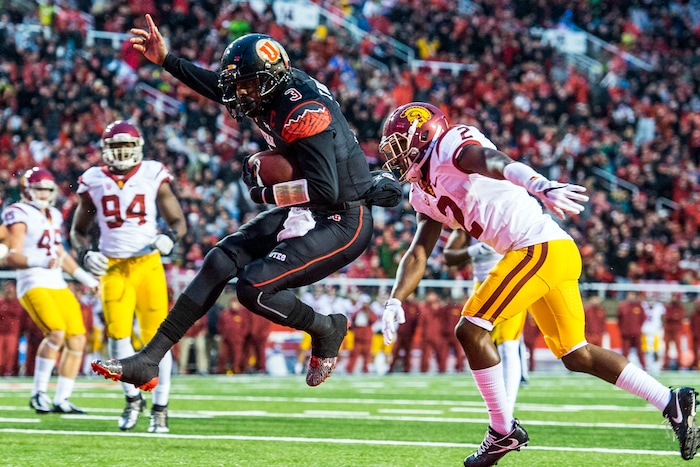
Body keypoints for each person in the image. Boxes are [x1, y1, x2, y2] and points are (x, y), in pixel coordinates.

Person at [378, 102, 699, 464]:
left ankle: (501, 432)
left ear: (424, 136)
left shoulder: (451, 147)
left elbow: (493, 160)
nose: (397, 158)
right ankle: (672, 401)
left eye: (399, 147)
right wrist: (395, 299)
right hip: (549, 251)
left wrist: (539, 184)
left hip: (537, 247)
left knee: (471, 330)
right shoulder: (422, 192)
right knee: (578, 354)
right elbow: (420, 249)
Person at [92, 16, 383, 390]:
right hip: (313, 208)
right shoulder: (269, 88)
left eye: (248, 86)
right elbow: (221, 88)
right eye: (239, 86)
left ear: (271, 80)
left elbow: (325, 190)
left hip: (343, 219)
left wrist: (265, 195)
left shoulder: (302, 110)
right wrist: (168, 61)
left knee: (254, 287)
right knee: (219, 260)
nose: (240, 95)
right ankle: (149, 360)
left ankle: (327, 328)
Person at [70, 120, 187, 433]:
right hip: (112, 267)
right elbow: (78, 231)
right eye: (116, 146)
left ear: (138, 148)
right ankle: (132, 398)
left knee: (158, 340)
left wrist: (170, 239)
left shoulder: (152, 173)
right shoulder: (93, 179)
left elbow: (177, 220)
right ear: (106, 150)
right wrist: (85, 253)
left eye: (126, 146)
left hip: (147, 265)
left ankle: (160, 408)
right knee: (117, 338)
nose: (121, 152)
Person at [3, 167, 99, 414]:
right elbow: (11, 256)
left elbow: (59, 253)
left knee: (78, 338)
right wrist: (38, 261)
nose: (44, 194)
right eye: (39, 189)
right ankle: (38, 394)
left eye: (47, 189)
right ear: (27, 189)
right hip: (32, 281)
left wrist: (83, 277)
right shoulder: (18, 212)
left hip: (56, 282)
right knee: (56, 333)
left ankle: (62, 399)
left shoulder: (53, 215)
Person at [444, 230, 527, 411]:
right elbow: (449, 256)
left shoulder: (512, 218)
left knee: (509, 345)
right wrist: (476, 250)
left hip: (510, 282)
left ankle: (507, 409)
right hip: (481, 285)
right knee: (479, 340)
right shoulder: (468, 224)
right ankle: (499, 403)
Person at [616, 290, 646, 369]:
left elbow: (642, 318)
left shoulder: (638, 306)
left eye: (632, 295)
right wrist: (623, 329)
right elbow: (619, 319)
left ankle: (644, 366)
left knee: (640, 351)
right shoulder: (623, 306)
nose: (630, 296)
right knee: (625, 352)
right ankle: (623, 368)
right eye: (629, 295)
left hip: (636, 332)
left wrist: (637, 328)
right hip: (626, 333)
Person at [0, 280, 24, 376]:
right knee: (1, 356)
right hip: (1, 333)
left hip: (13, 333)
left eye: (10, 287)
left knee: (11, 354)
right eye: (6, 287)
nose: (8, 289)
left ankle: (8, 372)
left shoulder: (19, 303)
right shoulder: (1, 302)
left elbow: (23, 319)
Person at [663, 292, 687, 371]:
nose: (674, 298)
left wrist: (672, 317)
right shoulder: (668, 307)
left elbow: (680, 317)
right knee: (666, 348)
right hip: (668, 329)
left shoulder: (680, 307)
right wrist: (674, 316)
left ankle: (680, 365)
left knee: (678, 348)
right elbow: (667, 317)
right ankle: (665, 365)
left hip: (677, 330)